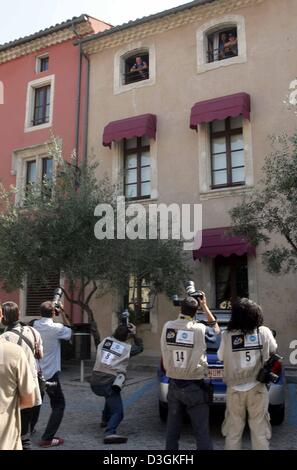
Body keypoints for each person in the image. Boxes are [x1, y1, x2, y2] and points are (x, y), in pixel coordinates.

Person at [160, 294, 220, 450]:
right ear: (196, 312)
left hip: (173, 384)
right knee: (201, 431)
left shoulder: (168, 326)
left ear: (181, 309)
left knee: (172, 431)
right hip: (194, 386)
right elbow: (216, 330)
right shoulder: (200, 329)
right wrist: (205, 306)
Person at [218, 298, 277, 450]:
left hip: (235, 389)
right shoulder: (263, 331)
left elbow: (220, 357)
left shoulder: (226, 335)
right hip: (257, 387)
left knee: (233, 432)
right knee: (259, 431)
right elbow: (273, 349)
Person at [90, 322, 143, 444]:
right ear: (127, 337)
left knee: (110, 398)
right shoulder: (126, 349)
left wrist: (121, 329)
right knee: (118, 412)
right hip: (109, 382)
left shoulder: (105, 341)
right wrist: (135, 335)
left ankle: (105, 419)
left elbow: (114, 338)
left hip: (94, 380)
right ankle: (110, 432)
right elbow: (140, 348)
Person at [1, 301, 43, 450]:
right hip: (31, 382)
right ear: (18, 314)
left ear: (3, 317)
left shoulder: (5, 337)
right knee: (25, 431)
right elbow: (40, 355)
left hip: (12, 387)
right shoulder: (33, 332)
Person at [32, 300, 72, 448]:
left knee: (36, 402)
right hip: (50, 374)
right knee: (59, 405)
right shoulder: (57, 328)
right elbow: (70, 331)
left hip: (35, 372)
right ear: (54, 312)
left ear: (40, 312)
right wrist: (62, 312)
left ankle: (29, 429)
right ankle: (47, 438)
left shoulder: (34, 325)